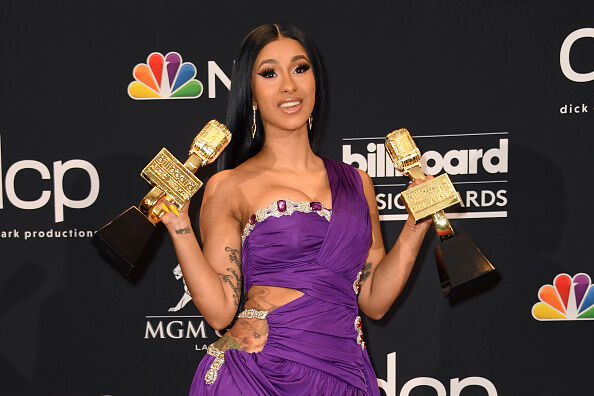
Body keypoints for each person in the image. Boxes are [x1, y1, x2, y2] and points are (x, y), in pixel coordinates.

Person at [158, 24, 432, 395]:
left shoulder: (357, 182)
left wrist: (416, 227)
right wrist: (179, 225)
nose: (289, 85)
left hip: (343, 373)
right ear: (251, 93)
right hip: (258, 374)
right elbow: (221, 311)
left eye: (300, 68)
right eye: (269, 73)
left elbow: (373, 300)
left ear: (315, 81)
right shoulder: (230, 186)